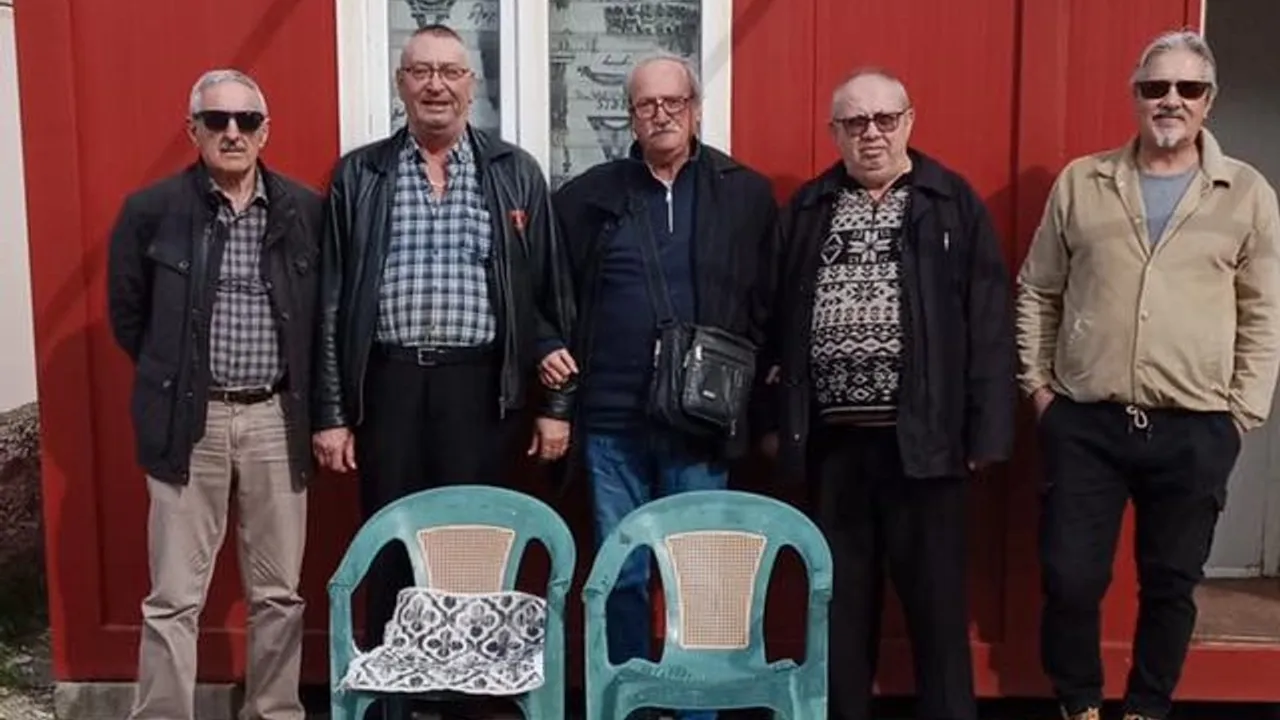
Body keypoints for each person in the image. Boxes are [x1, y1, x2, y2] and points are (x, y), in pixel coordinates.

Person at [1016, 30, 1280, 720]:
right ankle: (1079, 703)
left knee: (1170, 583)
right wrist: (1040, 391)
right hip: (1086, 422)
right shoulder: (1083, 182)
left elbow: (1264, 311)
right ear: (1135, 96)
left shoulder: (1246, 193)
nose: (1171, 100)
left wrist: (1240, 415)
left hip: (1195, 427)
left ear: (1209, 100)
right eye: (1155, 87)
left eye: (1188, 88)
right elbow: (1038, 289)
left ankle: (1146, 708)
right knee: (1070, 577)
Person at [310, 22, 572, 712]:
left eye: (450, 72)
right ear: (401, 84)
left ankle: (466, 700)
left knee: (474, 545)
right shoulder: (361, 174)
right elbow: (331, 302)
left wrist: (556, 406)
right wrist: (332, 414)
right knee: (390, 542)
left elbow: (548, 297)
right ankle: (395, 701)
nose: (436, 86)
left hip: (483, 389)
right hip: (388, 384)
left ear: (471, 85)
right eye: (421, 72)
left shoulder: (513, 171)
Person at [765, 68, 1015, 720]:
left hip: (927, 446)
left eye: (884, 119)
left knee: (937, 611)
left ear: (909, 122)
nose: (870, 133)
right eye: (855, 122)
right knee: (841, 612)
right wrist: (776, 424)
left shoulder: (951, 202)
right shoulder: (810, 209)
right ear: (835, 132)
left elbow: (990, 320)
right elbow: (773, 320)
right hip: (834, 449)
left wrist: (987, 434)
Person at [545, 52, 780, 720]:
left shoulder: (744, 194)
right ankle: (631, 704)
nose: (661, 115)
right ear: (630, 116)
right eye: (647, 105)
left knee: (699, 576)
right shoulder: (587, 199)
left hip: (700, 421)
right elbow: (550, 296)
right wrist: (554, 379)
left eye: (674, 102)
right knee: (622, 573)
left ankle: (698, 706)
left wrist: (759, 404)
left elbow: (770, 300)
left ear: (696, 109)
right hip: (611, 422)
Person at [107, 69, 323, 720]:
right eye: (217, 120)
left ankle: (273, 712)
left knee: (279, 593)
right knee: (173, 596)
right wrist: (175, 381)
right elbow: (129, 317)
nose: (233, 132)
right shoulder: (152, 212)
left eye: (246, 121)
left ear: (265, 132)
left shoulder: (303, 210)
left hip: (275, 417)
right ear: (193, 129)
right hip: (188, 420)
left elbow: (322, 317)